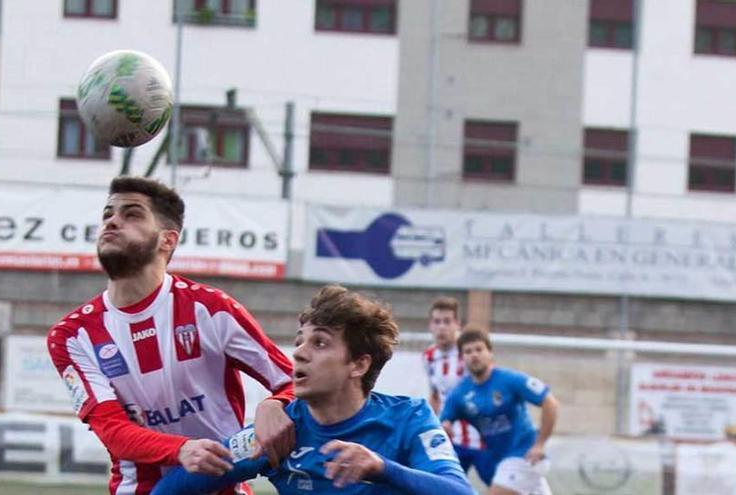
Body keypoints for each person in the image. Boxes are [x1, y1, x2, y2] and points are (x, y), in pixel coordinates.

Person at [47, 176, 296, 495]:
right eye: (108, 213)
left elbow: (293, 383)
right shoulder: (72, 336)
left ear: (167, 240)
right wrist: (181, 449)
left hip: (224, 488)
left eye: (132, 214)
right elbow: (112, 429)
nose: (112, 221)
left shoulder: (211, 309)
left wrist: (274, 404)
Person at [151, 285, 476, 495]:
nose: (300, 353)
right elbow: (174, 487)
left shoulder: (409, 419)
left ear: (358, 365)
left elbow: (460, 492)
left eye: (319, 342)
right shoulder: (277, 432)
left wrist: (382, 469)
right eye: (299, 342)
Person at [441, 327, 559, 495]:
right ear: (462, 358)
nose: (474, 355)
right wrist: (445, 427)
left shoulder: (509, 380)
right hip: (502, 461)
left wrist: (540, 444)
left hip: (524, 455)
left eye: (479, 349)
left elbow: (550, 402)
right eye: (468, 351)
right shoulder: (460, 393)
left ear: (490, 353)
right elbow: (444, 421)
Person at [422, 297, 489, 482]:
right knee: (443, 487)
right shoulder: (429, 356)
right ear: (430, 325)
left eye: (447, 321)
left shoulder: (471, 351)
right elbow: (435, 395)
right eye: (437, 322)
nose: (442, 327)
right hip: (451, 441)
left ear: (457, 324)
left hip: (482, 440)